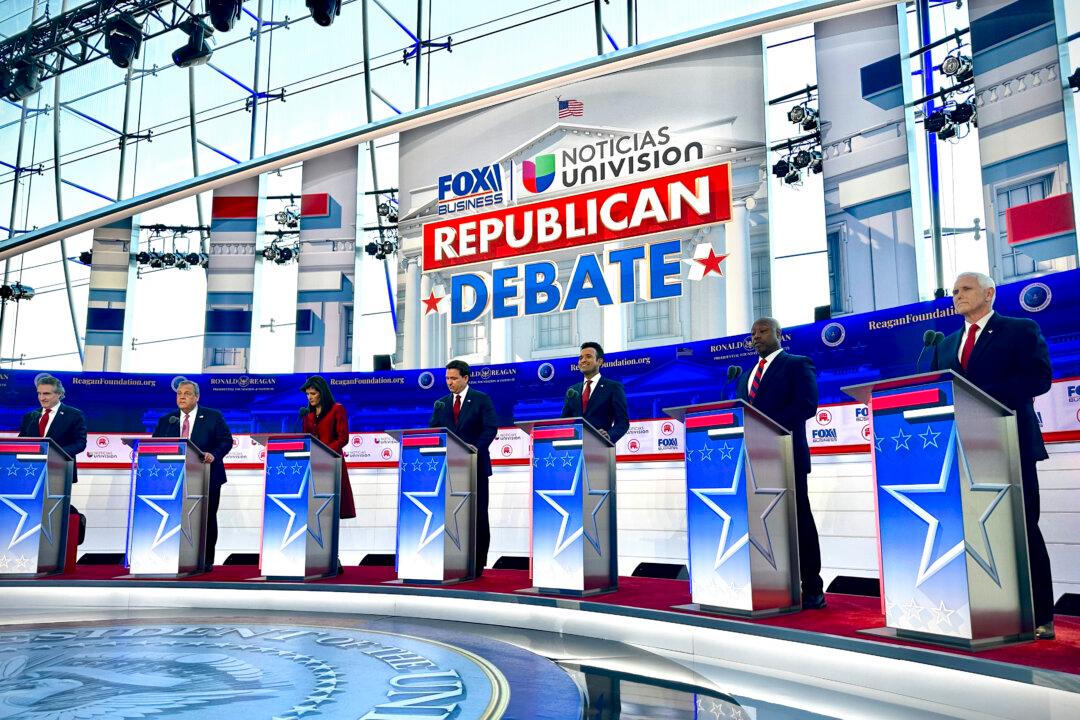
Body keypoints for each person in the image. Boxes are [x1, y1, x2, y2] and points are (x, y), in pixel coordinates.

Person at [932, 271, 1055, 639]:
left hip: (1009, 441)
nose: (957, 295)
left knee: (1021, 526)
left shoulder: (1019, 329)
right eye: (954, 291)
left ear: (989, 293)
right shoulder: (946, 342)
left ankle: (1039, 615)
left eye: (965, 289)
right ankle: (983, 608)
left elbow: (1039, 378)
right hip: (964, 449)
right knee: (972, 528)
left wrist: (977, 393)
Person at [738, 317, 825, 609]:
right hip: (753, 460)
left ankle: (812, 587)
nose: (756, 337)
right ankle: (769, 582)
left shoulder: (797, 363)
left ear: (779, 334)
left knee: (799, 521)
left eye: (762, 331)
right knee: (760, 522)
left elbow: (806, 405)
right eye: (752, 333)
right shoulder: (745, 375)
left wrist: (766, 427)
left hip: (787, 456)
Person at [152, 378, 233, 571]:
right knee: (173, 516)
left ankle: (205, 560)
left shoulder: (213, 416)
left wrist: (214, 454)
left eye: (187, 394)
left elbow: (226, 441)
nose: (182, 397)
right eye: (179, 394)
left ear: (197, 397)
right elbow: (156, 445)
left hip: (207, 475)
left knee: (206, 517)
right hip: (174, 478)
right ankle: (170, 556)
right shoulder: (167, 420)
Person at [429, 359, 498, 577]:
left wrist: (474, 450)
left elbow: (490, 428)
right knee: (450, 513)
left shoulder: (481, 399)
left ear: (466, 378)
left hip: (475, 467)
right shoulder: (441, 404)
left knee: (478, 515)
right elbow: (434, 432)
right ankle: (451, 560)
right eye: (447, 378)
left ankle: (477, 565)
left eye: (454, 378)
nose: (449, 382)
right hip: (449, 469)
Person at [300, 375, 357, 522]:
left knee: (333, 508)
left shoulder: (337, 409)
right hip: (314, 464)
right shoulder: (308, 415)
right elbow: (306, 439)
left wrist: (326, 452)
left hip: (332, 462)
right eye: (307, 394)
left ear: (322, 392)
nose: (309, 397)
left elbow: (343, 438)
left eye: (313, 394)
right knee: (317, 510)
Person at [19, 374, 87, 484]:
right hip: (30, 470)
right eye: (39, 393)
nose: (41, 398)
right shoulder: (30, 416)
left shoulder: (74, 415)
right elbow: (22, 441)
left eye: (46, 394)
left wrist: (55, 454)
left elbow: (80, 443)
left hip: (60, 470)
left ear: (59, 394)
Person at [560, 341, 629, 444]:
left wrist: (609, 436)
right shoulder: (572, 390)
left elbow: (622, 423)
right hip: (573, 448)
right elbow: (564, 421)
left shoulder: (613, 387)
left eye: (588, 356)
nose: (583, 360)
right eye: (580, 358)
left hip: (600, 447)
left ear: (599, 361)